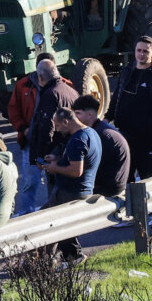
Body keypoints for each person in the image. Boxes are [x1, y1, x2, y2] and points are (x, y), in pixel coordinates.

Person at [40, 108, 102, 262]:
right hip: (82, 189)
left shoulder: (77, 140)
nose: (57, 130)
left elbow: (76, 171)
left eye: (57, 125)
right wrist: (58, 159)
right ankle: (53, 258)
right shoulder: (90, 133)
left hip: (70, 191)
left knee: (53, 224)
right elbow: (80, 160)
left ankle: (68, 257)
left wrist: (55, 168)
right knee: (50, 220)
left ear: (66, 122)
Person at [111, 36, 152, 183]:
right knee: (125, 178)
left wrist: (147, 128)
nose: (141, 54)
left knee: (148, 179)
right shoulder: (127, 71)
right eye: (138, 50)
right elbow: (117, 98)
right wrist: (107, 118)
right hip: (125, 135)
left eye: (145, 51)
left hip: (147, 139)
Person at [24, 58, 78, 215]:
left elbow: (46, 127)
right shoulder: (70, 91)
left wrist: (40, 157)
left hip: (56, 153)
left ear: (41, 77)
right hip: (71, 149)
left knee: (56, 200)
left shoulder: (50, 94)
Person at [6, 52, 54, 213]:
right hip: (31, 144)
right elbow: (13, 110)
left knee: (54, 180)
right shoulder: (22, 86)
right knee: (31, 181)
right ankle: (26, 213)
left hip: (54, 145)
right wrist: (23, 129)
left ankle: (55, 211)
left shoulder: (64, 85)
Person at [72, 94, 131, 201]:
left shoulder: (99, 135)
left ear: (90, 115)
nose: (75, 118)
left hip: (108, 188)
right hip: (113, 183)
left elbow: (89, 166)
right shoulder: (100, 129)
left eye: (78, 113)